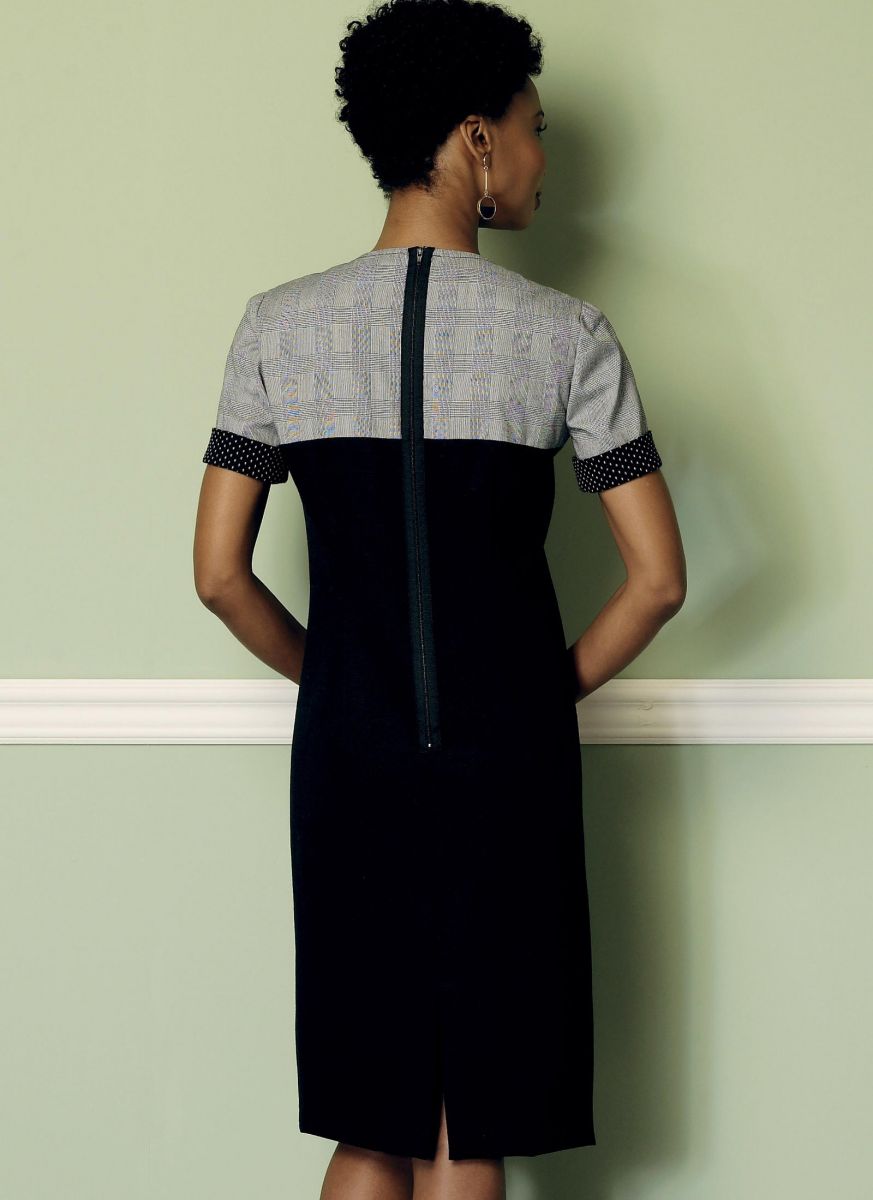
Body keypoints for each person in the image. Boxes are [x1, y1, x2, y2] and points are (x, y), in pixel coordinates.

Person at [193, 1, 686, 1197]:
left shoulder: (276, 328)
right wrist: (535, 694)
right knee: (474, 1118)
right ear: (476, 137)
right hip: (506, 766)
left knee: (373, 1119)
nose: (540, 156)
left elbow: (217, 575)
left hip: (349, 760)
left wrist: (341, 680)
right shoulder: (568, 336)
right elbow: (659, 580)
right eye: (532, 127)